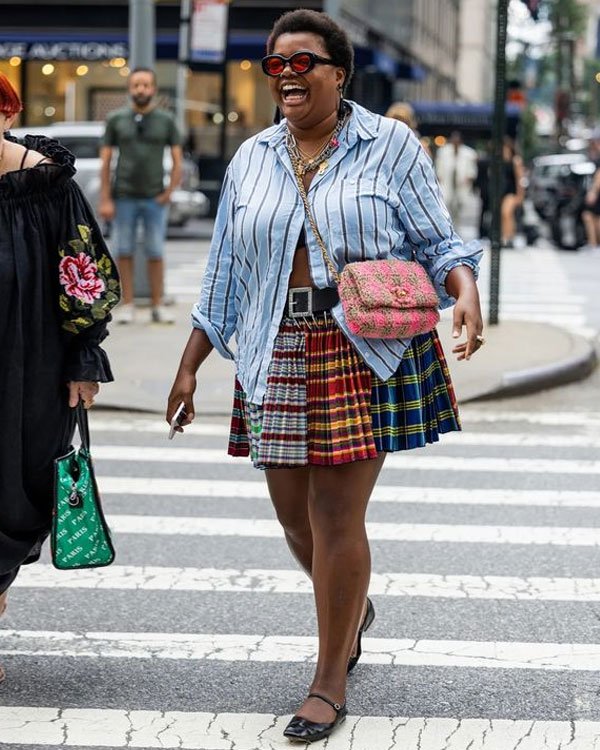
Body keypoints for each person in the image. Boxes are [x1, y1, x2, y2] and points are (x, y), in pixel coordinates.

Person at [167, 9, 483, 744]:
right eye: (275, 64)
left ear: (339, 72)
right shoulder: (250, 159)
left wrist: (463, 288)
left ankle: (328, 679)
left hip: (357, 343)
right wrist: (189, 362)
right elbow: (224, 272)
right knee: (292, 517)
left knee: (337, 517)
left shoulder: (390, 144)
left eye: (302, 61)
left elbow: (438, 240)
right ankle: (353, 605)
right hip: (273, 347)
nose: (286, 75)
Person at [0, 73, 120, 682]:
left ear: (7, 112)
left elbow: (83, 271)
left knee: (17, 487)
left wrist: (83, 359)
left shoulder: (47, 185)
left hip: (31, 362)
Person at [99, 67, 182, 325]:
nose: (141, 89)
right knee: (123, 250)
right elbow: (105, 161)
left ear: (154, 89)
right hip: (123, 196)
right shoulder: (116, 119)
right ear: (129, 89)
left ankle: (157, 304)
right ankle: (128, 304)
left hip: (154, 198)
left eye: (145, 85)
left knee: (155, 251)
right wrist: (105, 198)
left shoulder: (166, 120)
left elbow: (178, 159)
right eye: (136, 85)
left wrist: (169, 192)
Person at [435, 130, 478, 226]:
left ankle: (455, 227)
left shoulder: (469, 153)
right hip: (447, 185)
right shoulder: (443, 152)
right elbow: (439, 170)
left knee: (458, 209)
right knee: (446, 208)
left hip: (461, 186)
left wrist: (466, 181)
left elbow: (472, 172)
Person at [500, 137, 525, 248]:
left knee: (507, 213)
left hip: (512, 191)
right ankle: (506, 236)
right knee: (505, 215)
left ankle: (508, 237)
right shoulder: (501, 161)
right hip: (503, 191)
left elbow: (520, 179)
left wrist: (520, 195)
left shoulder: (516, 160)